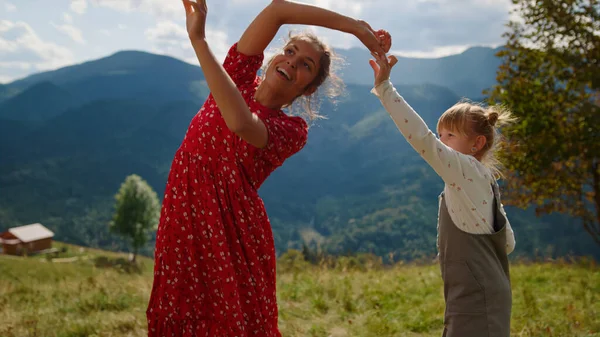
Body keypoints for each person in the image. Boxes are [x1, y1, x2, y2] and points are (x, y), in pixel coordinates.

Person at [146, 0, 389, 335]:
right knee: (178, 310)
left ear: (308, 88)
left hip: (231, 232)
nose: (291, 61)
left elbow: (240, 122)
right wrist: (355, 27)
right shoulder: (237, 75)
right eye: (289, 50)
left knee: (230, 323)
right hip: (184, 213)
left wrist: (199, 42)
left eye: (305, 64)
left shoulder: (290, 130)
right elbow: (277, 9)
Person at [369, 51, 516, 337]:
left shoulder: (465, 170)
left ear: (477, 144)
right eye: (440, 133)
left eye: (449, 135)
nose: (440, 141)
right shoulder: (485, 181)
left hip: (474, 299)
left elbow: (422, 139)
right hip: (490, 295)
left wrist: (385, 88)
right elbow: (507, 243)